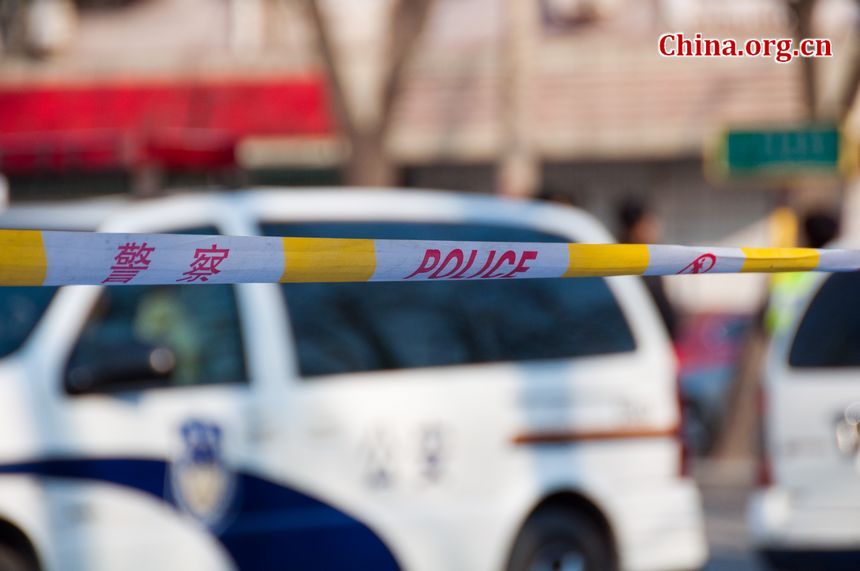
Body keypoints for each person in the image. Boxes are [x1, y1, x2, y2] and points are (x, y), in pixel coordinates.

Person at [617, 198, 678, 340]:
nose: (657, 228)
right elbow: (665, 316)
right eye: (650, 223)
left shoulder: (649, 260)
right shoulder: (639, 265)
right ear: (636, 227)